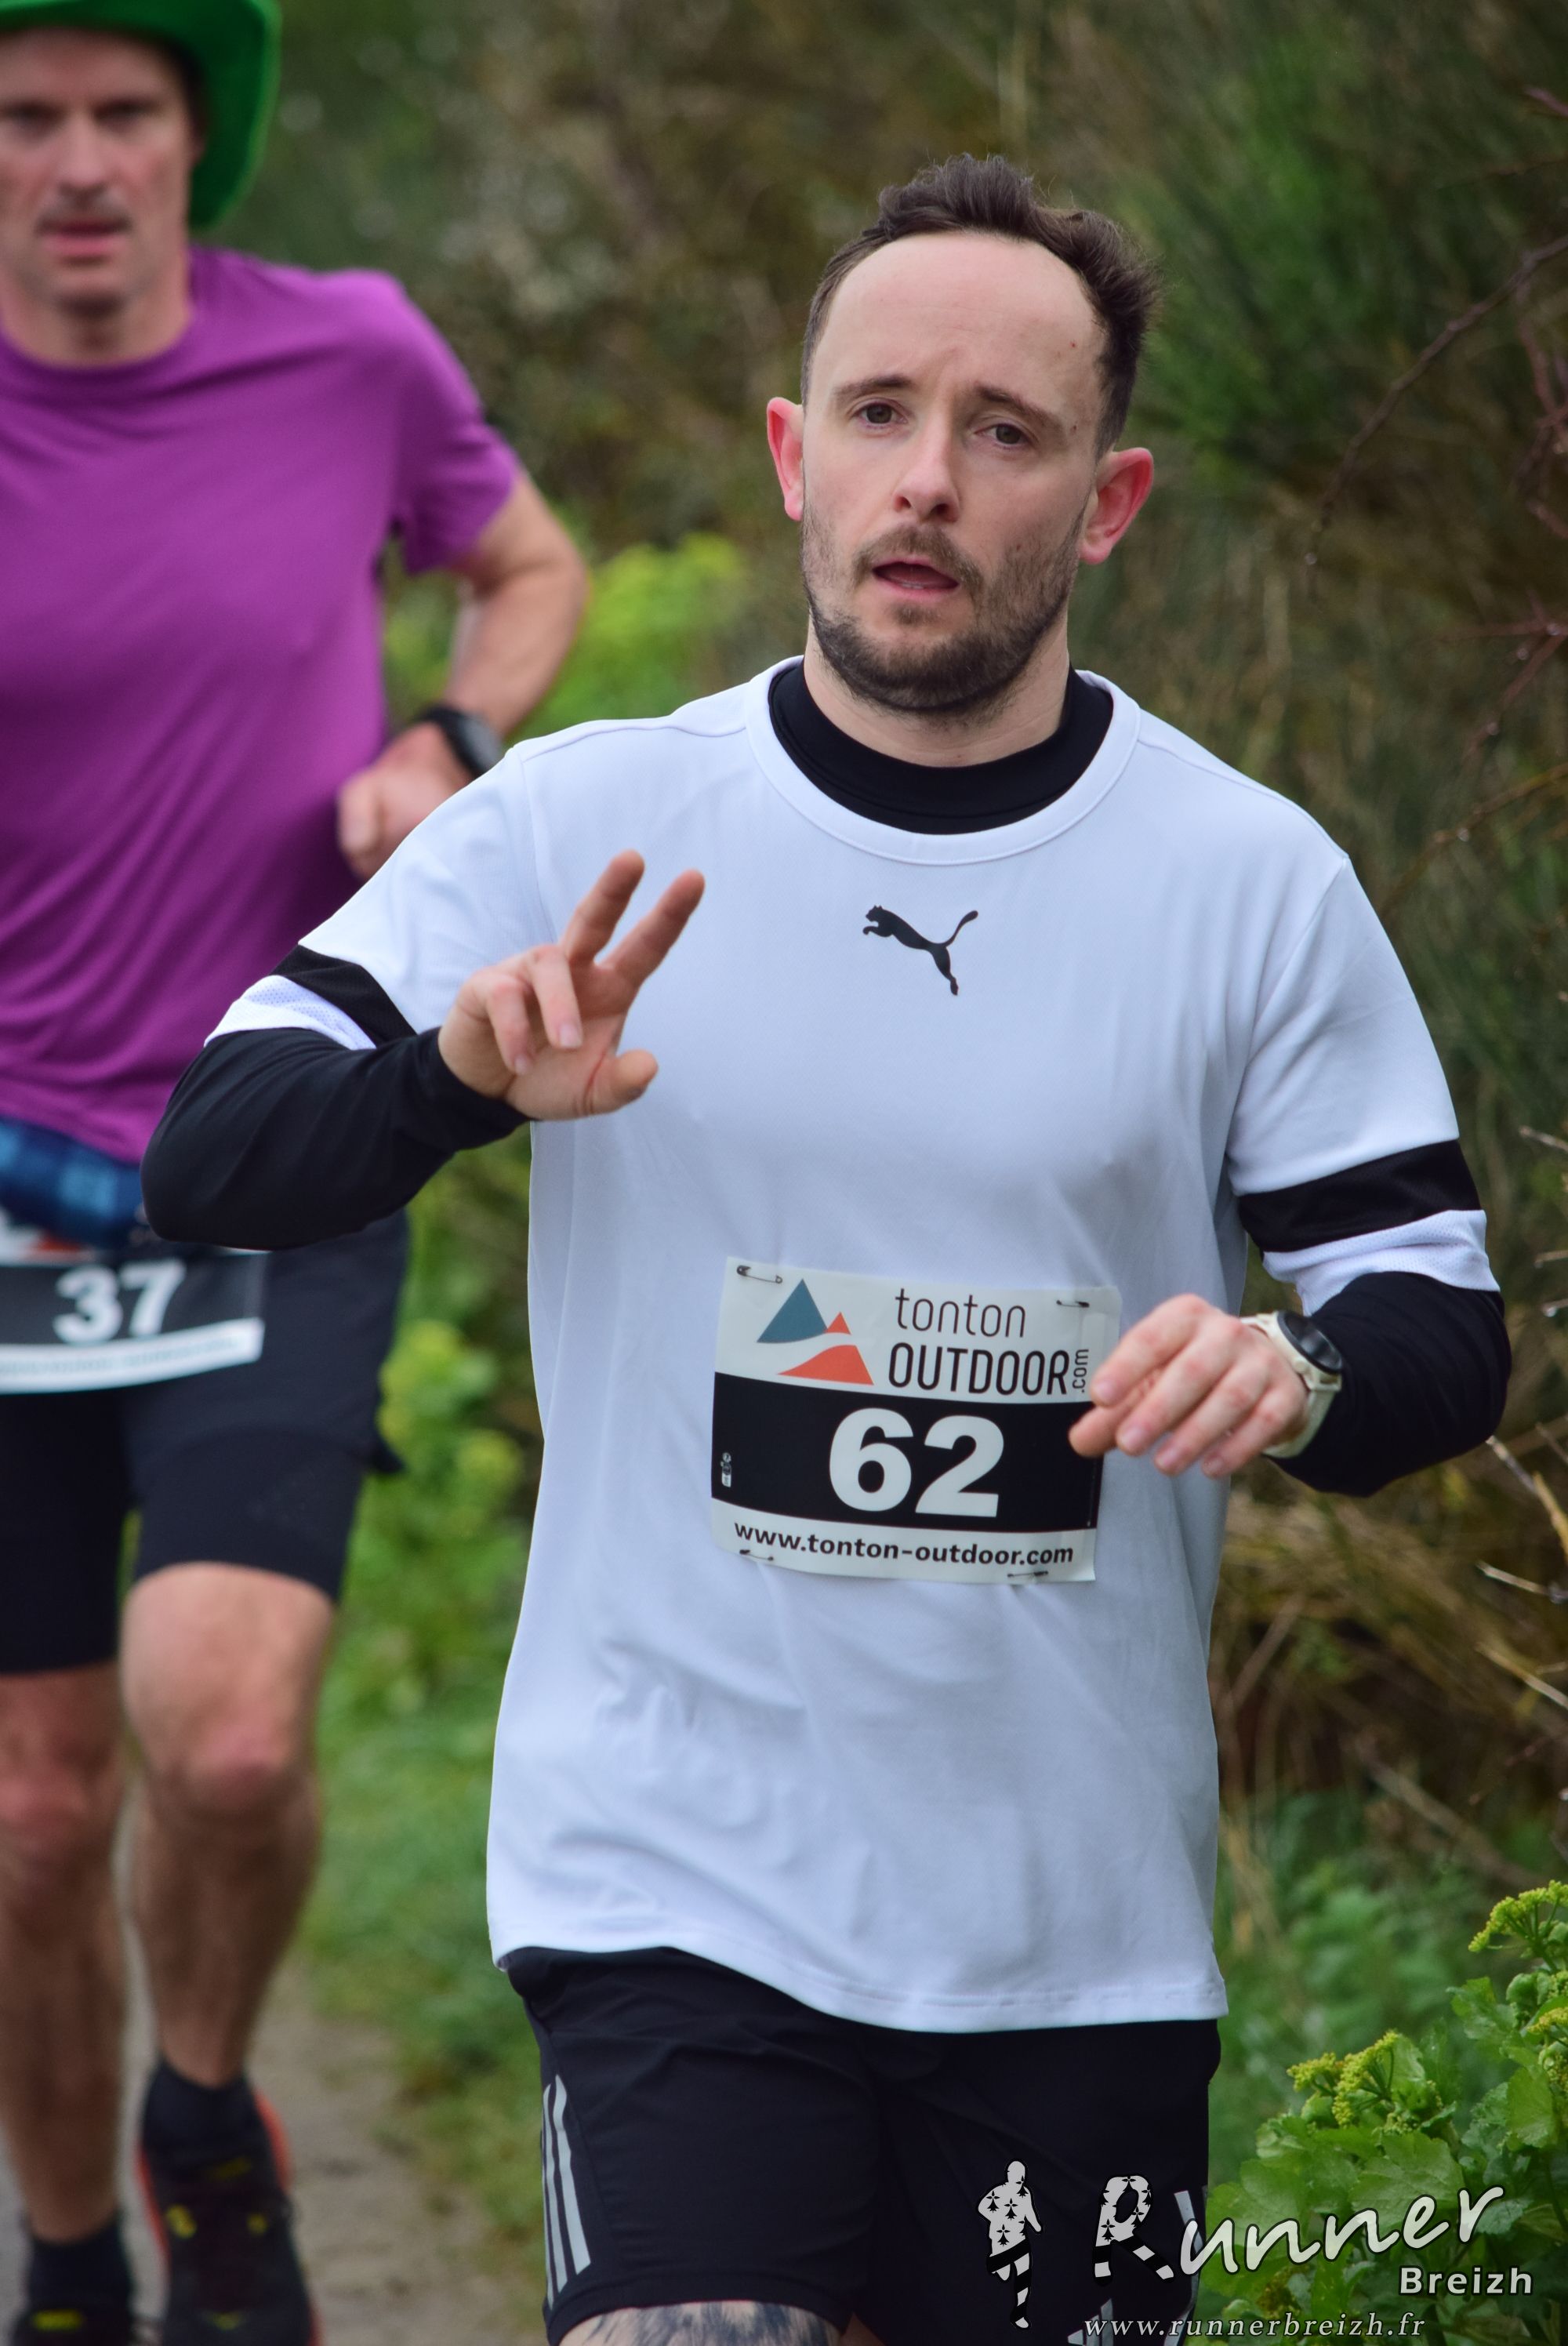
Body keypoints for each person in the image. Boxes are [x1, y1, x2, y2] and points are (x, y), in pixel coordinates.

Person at [143, 155, 1510, 2345]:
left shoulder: (1247, 880)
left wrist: (1301, 1375)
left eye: (1005, 429)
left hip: (1073, 1936)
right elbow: (211, 1154)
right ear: (796, 455)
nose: (928, 479)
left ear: (1111, 499)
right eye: (879, 412)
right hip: (671, 1886)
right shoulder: (586, 822)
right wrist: (454, 1080)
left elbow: (1436, 1325)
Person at [0, 0, 586, 2338]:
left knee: (229, 1737)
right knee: (35, 1810)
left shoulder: (347, 355)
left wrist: (450, 730)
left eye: (122, 112)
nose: (77, 161)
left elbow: (524, 566)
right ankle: (68, 2258)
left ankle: (207, 2120)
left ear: (195, 135)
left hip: (274, 1131)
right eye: (24, 117)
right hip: (7, 1175)